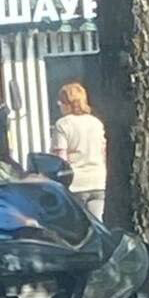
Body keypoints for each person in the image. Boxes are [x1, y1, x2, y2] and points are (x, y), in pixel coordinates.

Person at [50, 82, 106, 220]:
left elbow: (61, 159)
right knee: (98, 225)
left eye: (61, 102)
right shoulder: (96, 123)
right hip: (98, 182)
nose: (59, 105)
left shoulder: (63, 124)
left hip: (75, 185)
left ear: (67, 103)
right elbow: (103, 152)